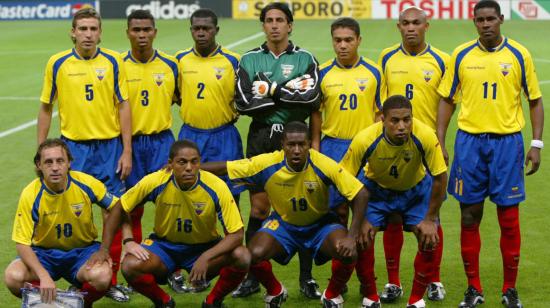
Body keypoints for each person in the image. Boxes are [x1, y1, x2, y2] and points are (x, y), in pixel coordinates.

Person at [436, 1, 543, 307]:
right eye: (480, 20)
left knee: (508, 218)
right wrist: (440, 139)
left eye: (490, 19)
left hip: (508, 145)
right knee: (469, 215)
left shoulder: (519, 54)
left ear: (501, 19)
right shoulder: (461, 54)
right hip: (469, 143)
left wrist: (537, 143)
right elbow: (447, 99)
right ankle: (474, 289)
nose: (485, 24)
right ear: (474, 22)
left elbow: (535, 100)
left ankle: (510, 290)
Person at [202, 121, 370, 308]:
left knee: (347, 251)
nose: (297, 150)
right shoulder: (267, 163)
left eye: (302, 144)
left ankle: (331, 295)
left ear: (309, 145)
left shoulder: (322, 163)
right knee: (253, 254)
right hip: (284, 224)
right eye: (291, 145)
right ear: (282, 145)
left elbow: (360, 193)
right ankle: (275, 291)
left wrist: (352, 235)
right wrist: (194, 168)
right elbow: (226, 167)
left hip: (321, 224)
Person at [35, 8, 132, 301]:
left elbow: (123, 106)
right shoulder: (58, 63)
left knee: (112, 210)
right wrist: (42, 152)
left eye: (93, 29)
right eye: (83, 29)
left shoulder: (114, 61)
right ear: (73, 32)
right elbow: (45, 107)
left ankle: (109, 278)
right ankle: (72, 274)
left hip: (109, 146)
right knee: (72, 209)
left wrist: (127, 150)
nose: (88, 34)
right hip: (73, 148)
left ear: (100, 32)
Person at [233, 2, 322, 298]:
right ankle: (252, 276)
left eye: (280, 20)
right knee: (259, 208)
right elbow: (245, 102)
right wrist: (288, 89)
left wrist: (268, 89)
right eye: (269, 20)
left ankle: (306, 277)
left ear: (290, 25)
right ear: (263, 25)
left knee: (301, 209)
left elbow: (310, 97)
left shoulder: (305, 58)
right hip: (260, 137)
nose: (274, 25)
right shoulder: (248, 59)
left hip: (295, 136)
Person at [100, 140, 250, 308]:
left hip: (204, 247)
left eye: (194, 161)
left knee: (242, 256)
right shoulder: (156, 181)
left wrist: (206, 257)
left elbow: (237, 234)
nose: (189, 168)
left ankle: (213, 302)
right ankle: (163, 302)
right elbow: (120, 207)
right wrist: (126, 241)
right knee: (130, 265)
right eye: (182, 162)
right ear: (170, 164)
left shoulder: (216, 187)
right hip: (164, 247)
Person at [339, 95, 447, 308]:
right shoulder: (365, 139)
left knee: (430, 238)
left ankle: (416, 299)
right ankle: (371, 296)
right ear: (382, 120)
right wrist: (359, 219)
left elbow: (440, 177)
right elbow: (346, 179)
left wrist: (430, 218)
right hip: (376, 192)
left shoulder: (424, 135)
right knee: (363, 237)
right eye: (395, 121)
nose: (402, 126)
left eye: (407, 120)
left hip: (414, 192)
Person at [377, 6, 450, 302]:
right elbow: (380, 105)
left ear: (426, 25)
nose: (410, 28)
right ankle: (393, 281)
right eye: (405, 23)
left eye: (416, 23)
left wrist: (440, 141)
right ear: (398, 26)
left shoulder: (442, 60)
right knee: (393, 216)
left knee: (433, 217)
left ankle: (433, 279)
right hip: (394, 149)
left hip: (428, 149)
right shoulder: (386, 57)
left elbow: (448, 103)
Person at [108, 9, 180, 300]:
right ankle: (117, 274)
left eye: (146, 30)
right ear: (127, 32)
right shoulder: (117, 66)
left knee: (172, 205)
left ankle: (173, 270)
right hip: (130, 146)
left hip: (162, 142)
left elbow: (182, 98)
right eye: (136, 30)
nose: (141, 35)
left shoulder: (170, 65)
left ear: (155, 32)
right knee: (126, 209)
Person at [173, 7, 244, 293]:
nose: (201, 32)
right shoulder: (178, 61)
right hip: (191, 136)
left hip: (224, 136)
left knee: (231, 202)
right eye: (196, 28)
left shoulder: (233, 61)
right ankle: (178, 267)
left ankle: (233, 269)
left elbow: (244, 98)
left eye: (206, 28)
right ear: (191, 30)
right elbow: (175, 94)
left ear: (216, 30)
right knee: (185, 203)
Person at [4, 139, 118, 308]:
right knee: (13, 276)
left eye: (60, 161)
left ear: (69, 162)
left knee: (102, 277)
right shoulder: (30, 193)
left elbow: (117, 207)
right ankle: (47, 304)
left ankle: (78, 302)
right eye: (48, 162)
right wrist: (43, 275)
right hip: (44, 255)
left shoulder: (86, 183)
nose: (55, 167)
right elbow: (22, 243)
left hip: (82, 252)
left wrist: (105, 249)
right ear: (39, 165)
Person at [310, 16, 385, 225]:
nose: (342, 45)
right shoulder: (322, 73)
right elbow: (316, 113)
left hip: (364, 147)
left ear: (359, 40)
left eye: (348, 40)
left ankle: (362, 257)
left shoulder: (374, 72)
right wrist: (315, 149)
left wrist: (376, 148)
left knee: (365, 211)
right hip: (332, 146)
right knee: (338, 210)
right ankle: (341, 257)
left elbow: (380, 112)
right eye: (337, 40)